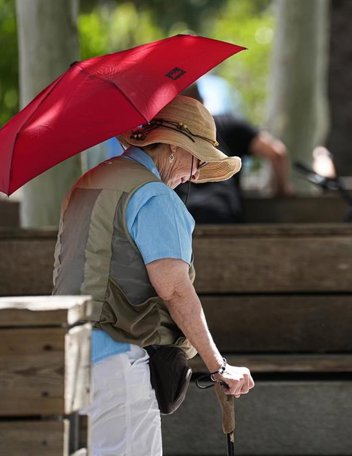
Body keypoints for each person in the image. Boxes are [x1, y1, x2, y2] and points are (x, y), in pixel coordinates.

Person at [52, 96, 255, 455]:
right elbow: (175, 291)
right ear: (174, 148)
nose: (195, 174)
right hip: (117, 363)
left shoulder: (89, 182)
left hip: (68, 351)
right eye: (196, 159)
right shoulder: (153, 196)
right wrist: (218, 365)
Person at [176, 84, 292, 223]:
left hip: (182, 215)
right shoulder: (229, 124)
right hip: (223, 213)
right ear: (202, 102)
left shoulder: (168, 135)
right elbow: (277, 153)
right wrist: (282, 190)